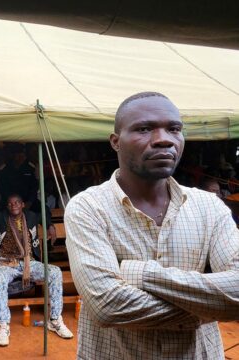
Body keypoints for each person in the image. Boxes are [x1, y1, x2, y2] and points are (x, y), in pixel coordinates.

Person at [65, 91, 239, 359]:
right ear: (115, 142)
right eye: (144, 129)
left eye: (174, 129)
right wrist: (210, 307)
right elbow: (107, 306)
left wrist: (142, 274)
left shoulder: (210, 207)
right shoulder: (88, 208)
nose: (163, 139)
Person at [0, 194, 73, 346]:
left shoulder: (32, 216)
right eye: (10, 203)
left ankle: (54, 320)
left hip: (29, 262)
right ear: (7, 206)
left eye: (17, 202)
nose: (13, 205)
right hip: (6, 262)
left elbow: (45, 211)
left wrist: (50, 225)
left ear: (22, 205)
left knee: (55, 272)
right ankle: (3, 326)